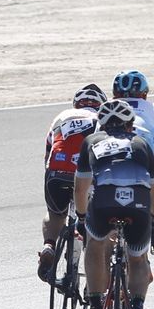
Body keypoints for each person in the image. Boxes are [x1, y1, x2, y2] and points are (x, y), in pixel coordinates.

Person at [74, 98, 154, 309]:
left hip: (104, 201)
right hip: (138, 202)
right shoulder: (141, 144)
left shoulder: (91, 141)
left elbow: (80, 188)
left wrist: (82, 218)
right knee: (137, 259)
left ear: (101, 124)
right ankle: (136, 308)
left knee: (94, 245)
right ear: (130, 125)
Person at [37, 83, 105, 282]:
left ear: (76, 104)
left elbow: (48, 150)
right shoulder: (102, 119)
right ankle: (93, 273)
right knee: (93, 221)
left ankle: (49, 245)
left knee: (55, 213)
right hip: (85, 174)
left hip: (56, 172)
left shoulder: (62, 115)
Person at [111, 70, 154, 214]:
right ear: (144, 95)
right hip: (142, 167)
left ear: (114, 95)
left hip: (108, 168)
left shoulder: (105, 109)